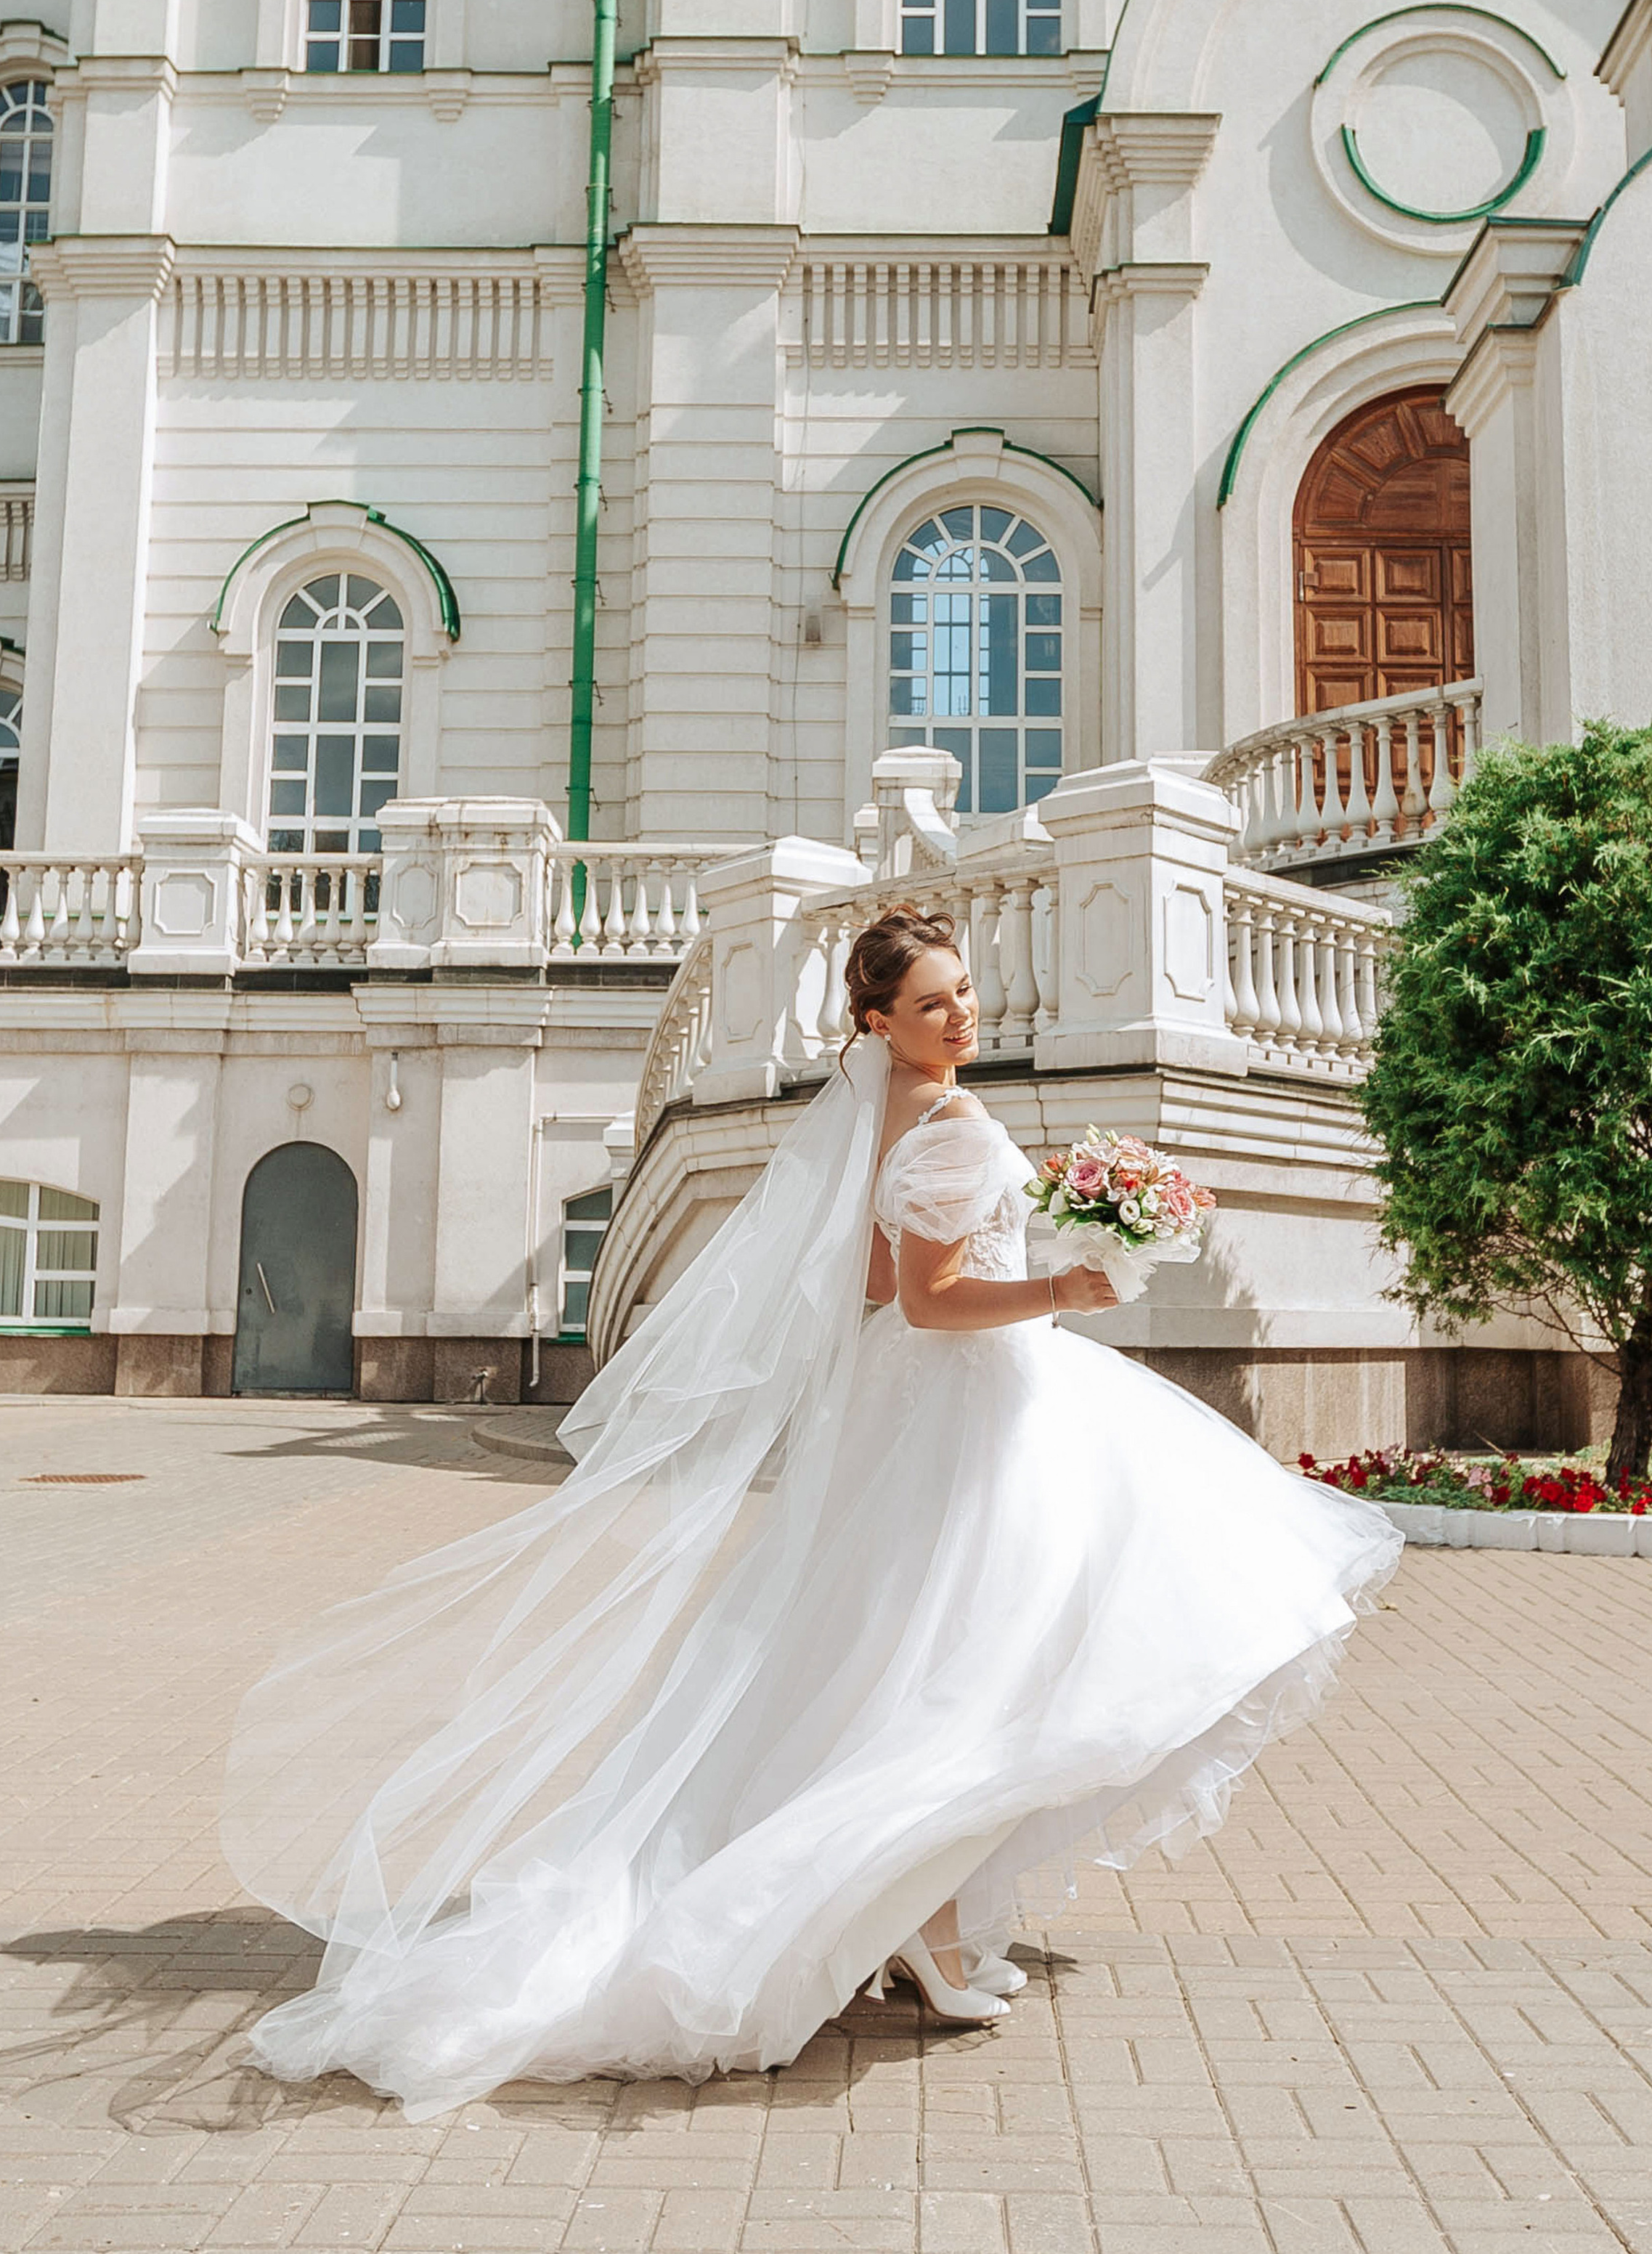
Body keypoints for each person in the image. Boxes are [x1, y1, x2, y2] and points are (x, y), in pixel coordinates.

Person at [223, 905, 1399, 2118]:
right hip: (970, 1412)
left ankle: (909, 1918)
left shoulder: (889, 1114)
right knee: (968, 1679)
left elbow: (880, 1284)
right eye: (934, 1003)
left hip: (922, 1411)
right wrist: (1068, 1282)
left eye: (964, 993)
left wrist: (1024, 1265)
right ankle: (928, 1937)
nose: (963, 1015)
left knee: (920, 1671)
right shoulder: (948, 1122)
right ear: (880, 1021)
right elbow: (935, 1305)